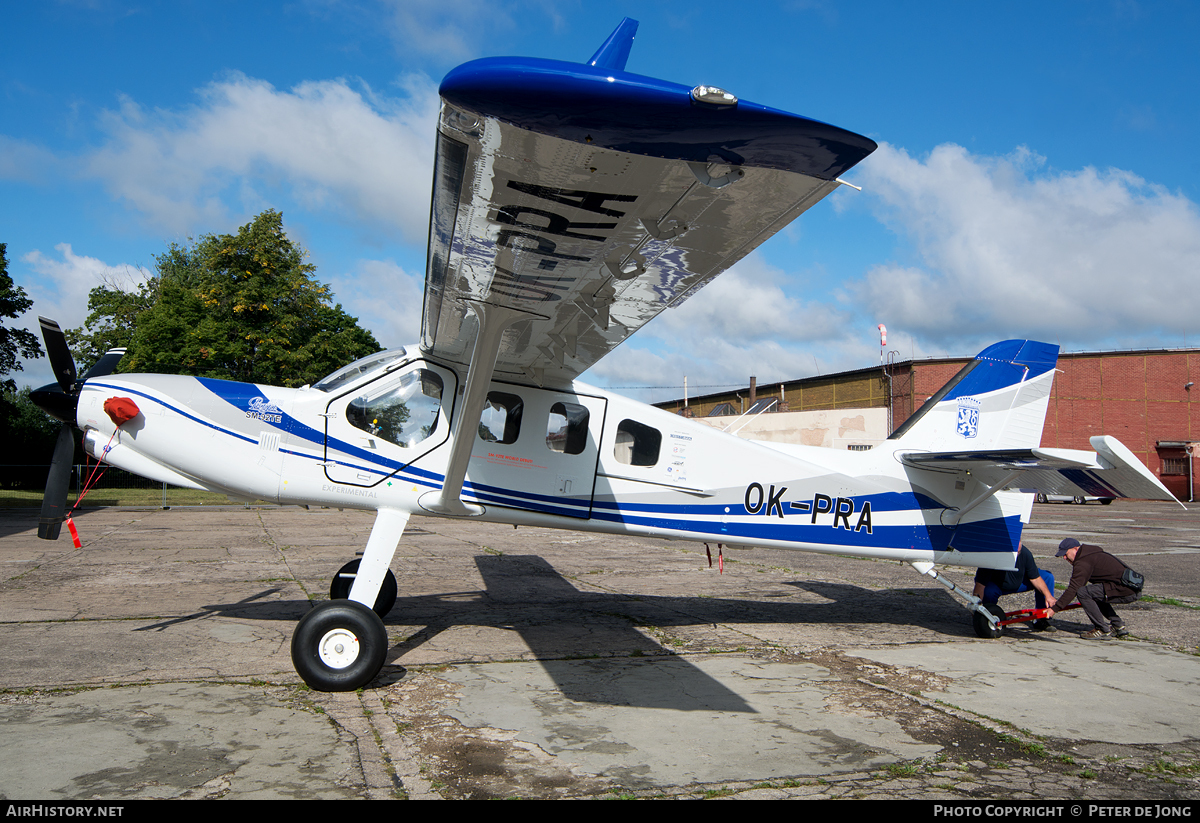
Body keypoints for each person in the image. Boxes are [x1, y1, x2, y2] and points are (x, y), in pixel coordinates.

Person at [1048, 537, 1140, 639]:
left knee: (1083, 592)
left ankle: (1102, 629)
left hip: (1127, 590)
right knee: (1093, 591)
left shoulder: (1083, 561)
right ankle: (1118, 625)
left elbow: (1074, 588)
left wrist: (1054, 609)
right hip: (1130, 588)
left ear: (1075, 549)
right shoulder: (1091, 554)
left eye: (1066, 554)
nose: (1064, 558)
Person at [973, 544, 1057, 631]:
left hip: (1019, 582)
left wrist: (1048, 596)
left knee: (1047, 577)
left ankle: (1041, 619)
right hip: (997, 586)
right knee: (988, 591)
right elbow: (980, 585)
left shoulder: (1025, 553)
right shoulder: (992, 555)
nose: (1017, 546)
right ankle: (985, 618)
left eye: (1019, 542)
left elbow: (1035, 578)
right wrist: (976, 607)